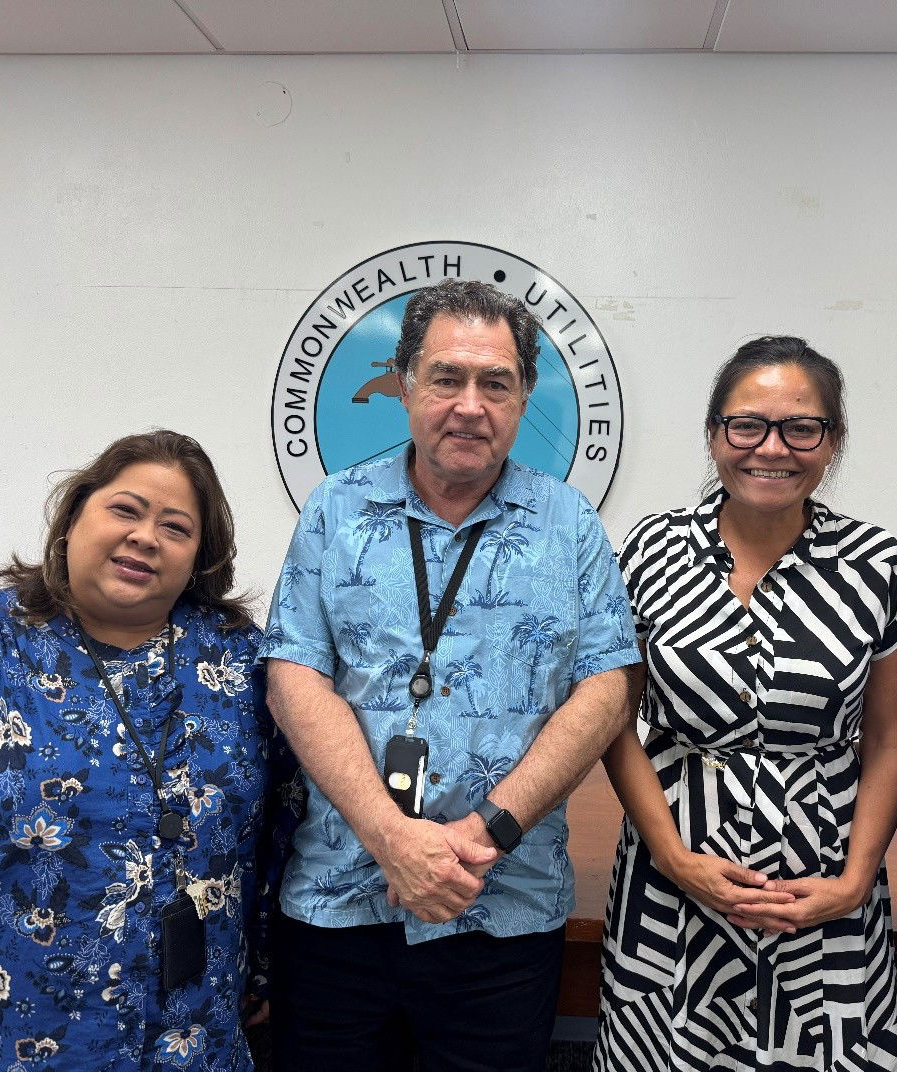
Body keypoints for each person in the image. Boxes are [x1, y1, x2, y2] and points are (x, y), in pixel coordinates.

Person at [0, 430, 294, 1072]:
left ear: (200, 560)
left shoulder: (245, 668)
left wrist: (263, 972)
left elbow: (285, 829)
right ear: (72, 519)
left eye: (176, 528)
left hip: (194, 1047)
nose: (145, 537)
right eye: (125, 510)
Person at [261, 277, 640, 1071]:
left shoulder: (570, 524)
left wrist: (486, 834)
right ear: (404, 384)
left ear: (524, 395)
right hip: (340, 904)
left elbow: (605, 690)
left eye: (495, 383)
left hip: (503, 906)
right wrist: (390, 836)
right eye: (447, 378)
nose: (471, 404)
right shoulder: (334, 509)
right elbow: (295, 677)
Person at [596, 336, 897, 1071]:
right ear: (714, 435)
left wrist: (852, 882)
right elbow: (614, 722)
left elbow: (890, 737)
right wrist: (676, 860)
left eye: (801, 428)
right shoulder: (650, 550)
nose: (772, 448)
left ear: (832, 443)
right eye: (747, 425)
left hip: (822, 881)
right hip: (672, 874)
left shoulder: (876, 565)